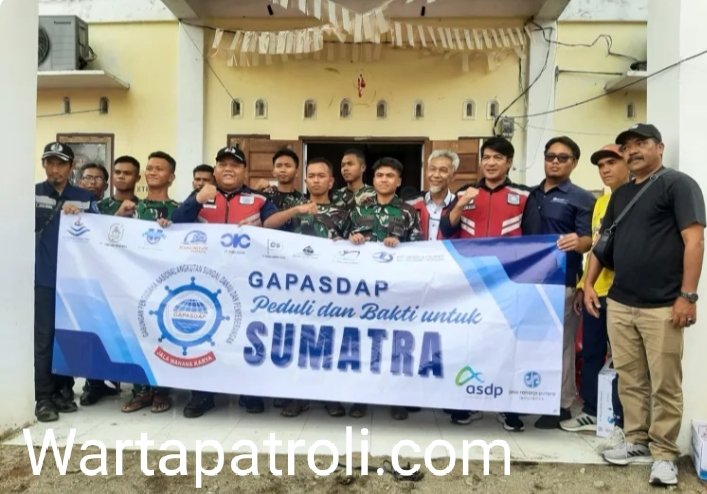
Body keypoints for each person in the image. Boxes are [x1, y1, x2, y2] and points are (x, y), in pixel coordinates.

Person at [585, 124, 705, 486]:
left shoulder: (678, 184)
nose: (633, 151)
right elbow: (602, 244)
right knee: (630, 379)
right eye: (627, 146)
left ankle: (665, 454)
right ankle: (636, 439)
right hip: (621, 302)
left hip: (663, 305)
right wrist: (588, 284)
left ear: (660, 147)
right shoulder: (621, 195)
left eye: (641, 143)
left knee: (665, 383)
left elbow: (695, 241)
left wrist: (687, 296)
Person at [172, 145, 279, 418]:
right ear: (215, 170)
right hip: (206, 281)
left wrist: (260, 230)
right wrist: (197, 199)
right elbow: (176, 223)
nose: (228, 169)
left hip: (247, 282)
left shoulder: (260, 199)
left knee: (247, 335)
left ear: (244, 171)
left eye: (235, 164)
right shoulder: (200, 195)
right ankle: (202, 395)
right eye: (223, 164)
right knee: (206, 335)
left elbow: (281, 230)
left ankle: (249, 392)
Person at [439, 136, 529, 431]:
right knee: (469, 343)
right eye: (486, 157)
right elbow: (446, 229)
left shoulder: (525, 195)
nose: (490, 163)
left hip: (509, 283)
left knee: (507, 344)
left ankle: (508, 406)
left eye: (497, 158)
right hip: (470, 283)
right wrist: (461, 203)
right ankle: (466, 402)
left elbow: (535, 240)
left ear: (509, 163)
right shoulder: (464, 192)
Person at [264, 157, 350, 418]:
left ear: (331, 181)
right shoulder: (293, 206)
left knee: (328, 341)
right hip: (296, 288)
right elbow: (268, 226)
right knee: (298, 341)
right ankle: (297, 397)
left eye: (321, 176)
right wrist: (295, 211)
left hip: (331, 288)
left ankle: (330, 396)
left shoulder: (344, 212)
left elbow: (354, 247)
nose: (315, 180)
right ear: (305, 180)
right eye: (311, 176)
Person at [521, 136, 595, 429]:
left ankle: (560, 405)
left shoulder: (582, 198)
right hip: (527, 283)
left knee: (561, 346)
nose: (555, 162)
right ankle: (529, 396)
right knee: (530, 343)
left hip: (562, 282)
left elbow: (589, 240)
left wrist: (579, 241)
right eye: (550, 156)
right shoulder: (529, 195)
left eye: (562, 158)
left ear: (574, 163)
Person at [560, 144, 628, 434]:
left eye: (612, 162)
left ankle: (622, 419)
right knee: (591, 352)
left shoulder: (635, 198)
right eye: (601, 165)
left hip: (623, 293)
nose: (605, 169)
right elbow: (595, 250)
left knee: (623, 358)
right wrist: (582, 285)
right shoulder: (600, 203)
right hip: (594, 292)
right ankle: (591, 410)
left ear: (627, 163)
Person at [348, 157, 422, 420]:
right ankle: (360, 399)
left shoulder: (408, 212)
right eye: (379, 175)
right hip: (362, 290)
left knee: (393, 345)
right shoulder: (358, 211)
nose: (384, 180)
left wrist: (402, 246)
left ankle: (395, 399)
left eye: (390, 176)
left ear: (399, 181)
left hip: (395, 291)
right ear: (373, 179)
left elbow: (419, 251)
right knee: (363, 343)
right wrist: (352, 238)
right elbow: (340, 245)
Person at [34, 142, 98, 422]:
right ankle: (43, 398)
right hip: (44, 278)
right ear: (43, 164)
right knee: (44, 339)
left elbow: (100, 233)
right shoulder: (33, 194)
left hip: (75, 281)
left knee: (68, 337)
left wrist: (83, 216)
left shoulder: (84, 197)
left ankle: (64, 390)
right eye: (50, 162)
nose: (54, 169)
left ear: (71, 167)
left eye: (60, 163)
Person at [119, 151, 180, 414]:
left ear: (171, 177)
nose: (153, 172)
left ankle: (162, 390)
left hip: (168, 286)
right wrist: (120, 215)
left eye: (159, 169)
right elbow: (109, 238)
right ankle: (141, 391)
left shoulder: (179, 210)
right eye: (150, 168)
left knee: (165, 335)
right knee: (137, 335)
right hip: (135, 284)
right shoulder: (132, 208)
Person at [406, 149, 457, 240]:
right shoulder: (411, 204)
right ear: (426, 172)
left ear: (453, 176)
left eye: (443, 170)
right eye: (432, 169)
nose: (436, 175)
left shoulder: (459, 206)